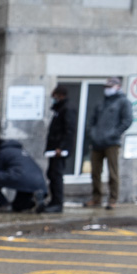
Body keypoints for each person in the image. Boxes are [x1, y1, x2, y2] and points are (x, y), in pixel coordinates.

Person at [85, 76, 133, 209]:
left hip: (111, 143)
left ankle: (112, 199)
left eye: (109, 87)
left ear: (117, 87)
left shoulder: (123, 102)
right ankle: (96, 198)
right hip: (97, 142)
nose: (107, 89)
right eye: (106, 87)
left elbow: (127, 121)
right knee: (95, 172)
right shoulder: (101, 102)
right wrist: (92, 134)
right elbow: (92, 121)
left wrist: (113, 134)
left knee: (113, 172)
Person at [0, 139, 47, 213]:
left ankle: (3, 204)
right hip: (39, 181)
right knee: (18, 207)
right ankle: (34, 201)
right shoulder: (21, 151)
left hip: (22, 178)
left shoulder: (2, 152)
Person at [41, 85, 76, 213]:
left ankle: (58, 203)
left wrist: (61, 148)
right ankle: (54, 201)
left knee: (56, 175)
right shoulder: (60, 109)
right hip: (54, 149)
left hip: (59, 150)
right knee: (51, 174)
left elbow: (69, 131)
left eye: (54, 95)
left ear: (60, 95)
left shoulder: (67, 109)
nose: (53, 98)